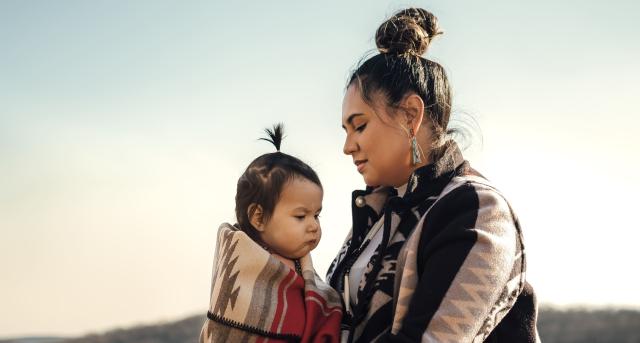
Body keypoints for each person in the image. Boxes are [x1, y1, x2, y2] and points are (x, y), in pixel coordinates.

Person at [326, 8, 539, 342]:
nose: (347, 146)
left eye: (360, 126)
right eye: (345, 130)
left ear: (411, 115)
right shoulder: (377, 216)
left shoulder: (476, 210)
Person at [200, 124, 342, 343]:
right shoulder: (243, 271)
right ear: (258, 217)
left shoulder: (302, 270)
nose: (313, 225)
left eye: (317, 215)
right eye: (301, 216)